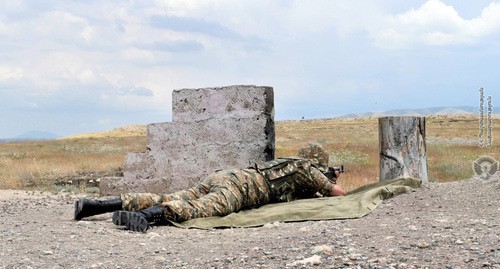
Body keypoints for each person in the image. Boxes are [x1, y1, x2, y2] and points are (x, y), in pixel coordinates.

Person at [74, 143, 347, 232]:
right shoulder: (306, 169)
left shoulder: (288, 165)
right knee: (200, 208)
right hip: (242, 189)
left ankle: (97, 206)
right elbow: (339, 195)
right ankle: (146, 216)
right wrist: (331, 180)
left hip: (226, 176)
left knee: (174, 195)